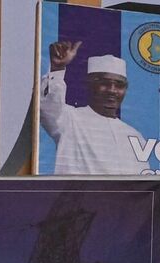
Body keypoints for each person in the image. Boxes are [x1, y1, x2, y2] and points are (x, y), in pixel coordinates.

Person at [39, 42, 145, 176]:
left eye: (119, 85)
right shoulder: (70, 119)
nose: (112, 90)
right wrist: (58, 68)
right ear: (89, 85)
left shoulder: (134, 135)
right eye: (104, 83)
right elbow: (47, 104)